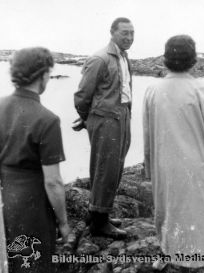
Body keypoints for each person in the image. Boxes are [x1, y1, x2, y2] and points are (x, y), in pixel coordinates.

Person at [143, 35, 204, 272]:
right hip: (199, 165)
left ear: (165, 60)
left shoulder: (153, 90)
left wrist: (149, 167)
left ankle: (168, 252)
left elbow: (148, 134)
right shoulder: (202, 89)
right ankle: (199, 264)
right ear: (194, 60)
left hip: (166, 165)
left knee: (169, 210)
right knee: (198, 215)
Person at [0, 47, 71, 273]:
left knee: (11, 261)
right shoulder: (47, 120)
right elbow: (53, 182)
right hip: (33, 205)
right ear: (42, 75)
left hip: (6, 199)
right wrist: (63, 223)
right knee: (36, 263)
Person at [73, 17, 134, 239]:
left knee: (115, 168)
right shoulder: (100, 58)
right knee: (105, 168)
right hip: (106, 119)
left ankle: (98, 213)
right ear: (112, 33)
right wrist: (87, 118)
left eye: (132, 33)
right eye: (124, 33)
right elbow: (82, 96)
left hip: (122, 116)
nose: (129, 37)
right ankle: (99, 222)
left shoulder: (124, 58)